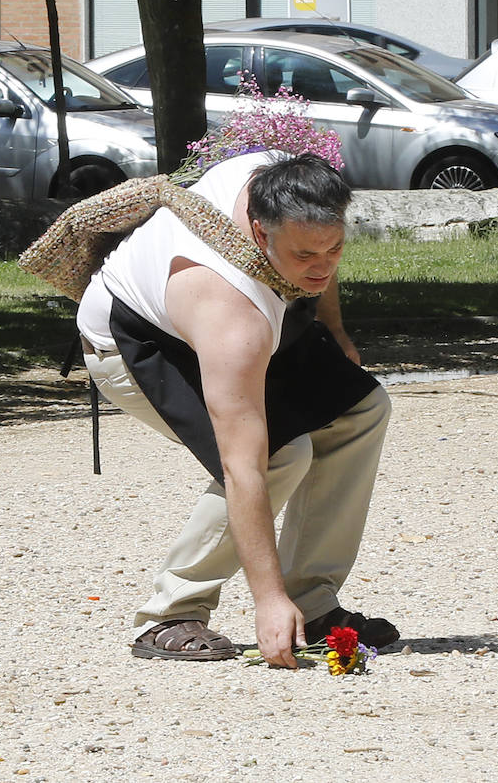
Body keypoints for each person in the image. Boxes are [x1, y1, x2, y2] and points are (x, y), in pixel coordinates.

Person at [76, 150, 398, 668]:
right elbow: (242, 467)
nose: (321, 266)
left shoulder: (284, 183)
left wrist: (335, 330)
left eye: (335, 248)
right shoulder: (232, 313)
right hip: (133, 339)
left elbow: (314, 249)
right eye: (303, 257)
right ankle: (170, 612)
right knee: (277, 456)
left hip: (237, 312)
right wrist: (266, 600)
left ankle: (312, 605)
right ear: (257, 230)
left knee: (361, 409)